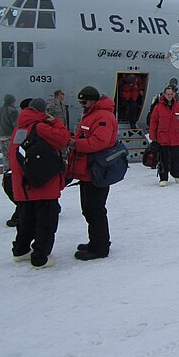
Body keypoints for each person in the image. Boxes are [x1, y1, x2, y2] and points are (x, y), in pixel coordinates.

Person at [9, 98, 70, 269]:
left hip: (23, 184)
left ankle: (20, 251)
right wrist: (56, 122)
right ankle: (40, 257)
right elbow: (63, 139)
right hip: (43, 184)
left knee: (26, 220)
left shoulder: (19, 129)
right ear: (43, 111)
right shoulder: (41, 127)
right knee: (46, 222)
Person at [67, 86, 118, 261]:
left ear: (93, 100)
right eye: (80, 101)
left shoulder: (102, 115)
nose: (82, 104)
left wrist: (76, 144)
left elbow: (100, 141)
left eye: (84, 101)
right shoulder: (92, 113)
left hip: (96, 170)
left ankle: (99, 247)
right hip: (87, 170)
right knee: (89, 209)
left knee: (94, 209)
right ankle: (97, 241)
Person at [149, 84, 179, 186]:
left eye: (171, 94)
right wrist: (152, 136)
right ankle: (163, 178)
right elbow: (153, 122)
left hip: (175, 138)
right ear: (164, 94)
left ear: (174, 94)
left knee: (177, 158)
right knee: (163, 159)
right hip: (162, 138)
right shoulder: (158, 107)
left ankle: (176, 175)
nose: (169, 96)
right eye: (167, 94)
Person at [0, 94, 18, 171]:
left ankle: (7, 168)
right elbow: (15, 124)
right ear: (11, 101)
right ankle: (13, 169)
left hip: (1, 135)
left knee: (5, 154)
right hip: (10, 135)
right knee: (12, 153)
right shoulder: (12, 111)